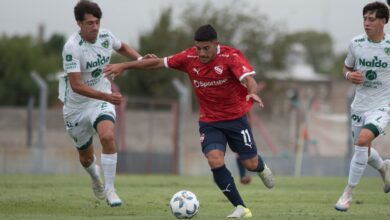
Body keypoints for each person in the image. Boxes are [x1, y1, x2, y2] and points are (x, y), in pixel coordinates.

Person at [104, 24, 274, 218]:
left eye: (206, 48)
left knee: (250, 164)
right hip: (210, 122)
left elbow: (249, 79)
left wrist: (252, 92)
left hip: (236, 119)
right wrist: (124, 65)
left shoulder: (231, 57)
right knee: (214, 159)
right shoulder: (189, 57)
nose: (201, 53)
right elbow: (156, 63)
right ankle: (241, 207)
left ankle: (261, 167)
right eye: (198, 48)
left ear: (215, 44)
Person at [61, 0, 152, 207]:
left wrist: (140, 60)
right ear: (79, 24)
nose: (95, 27)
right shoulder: (72, 47)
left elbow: (122, 46)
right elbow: (76, 85)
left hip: (100, 98)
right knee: (85, 157)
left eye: (97, 22)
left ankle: (111, 190)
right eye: (90, 23)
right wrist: (107, 97)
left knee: (108, 135)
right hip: (76, 107)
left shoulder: (105, 36)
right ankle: (96, 178)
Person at [335, 1, 390, 212]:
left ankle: (347, 193)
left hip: (382, 106)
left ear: (383, 21)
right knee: (363, 150)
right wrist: (349, 75)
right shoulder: (356, 43)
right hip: (360, 105)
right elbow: (346, 67)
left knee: (362, 140)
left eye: (372, 19)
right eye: (365, 19)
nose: (366, 23)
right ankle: (384, 166)